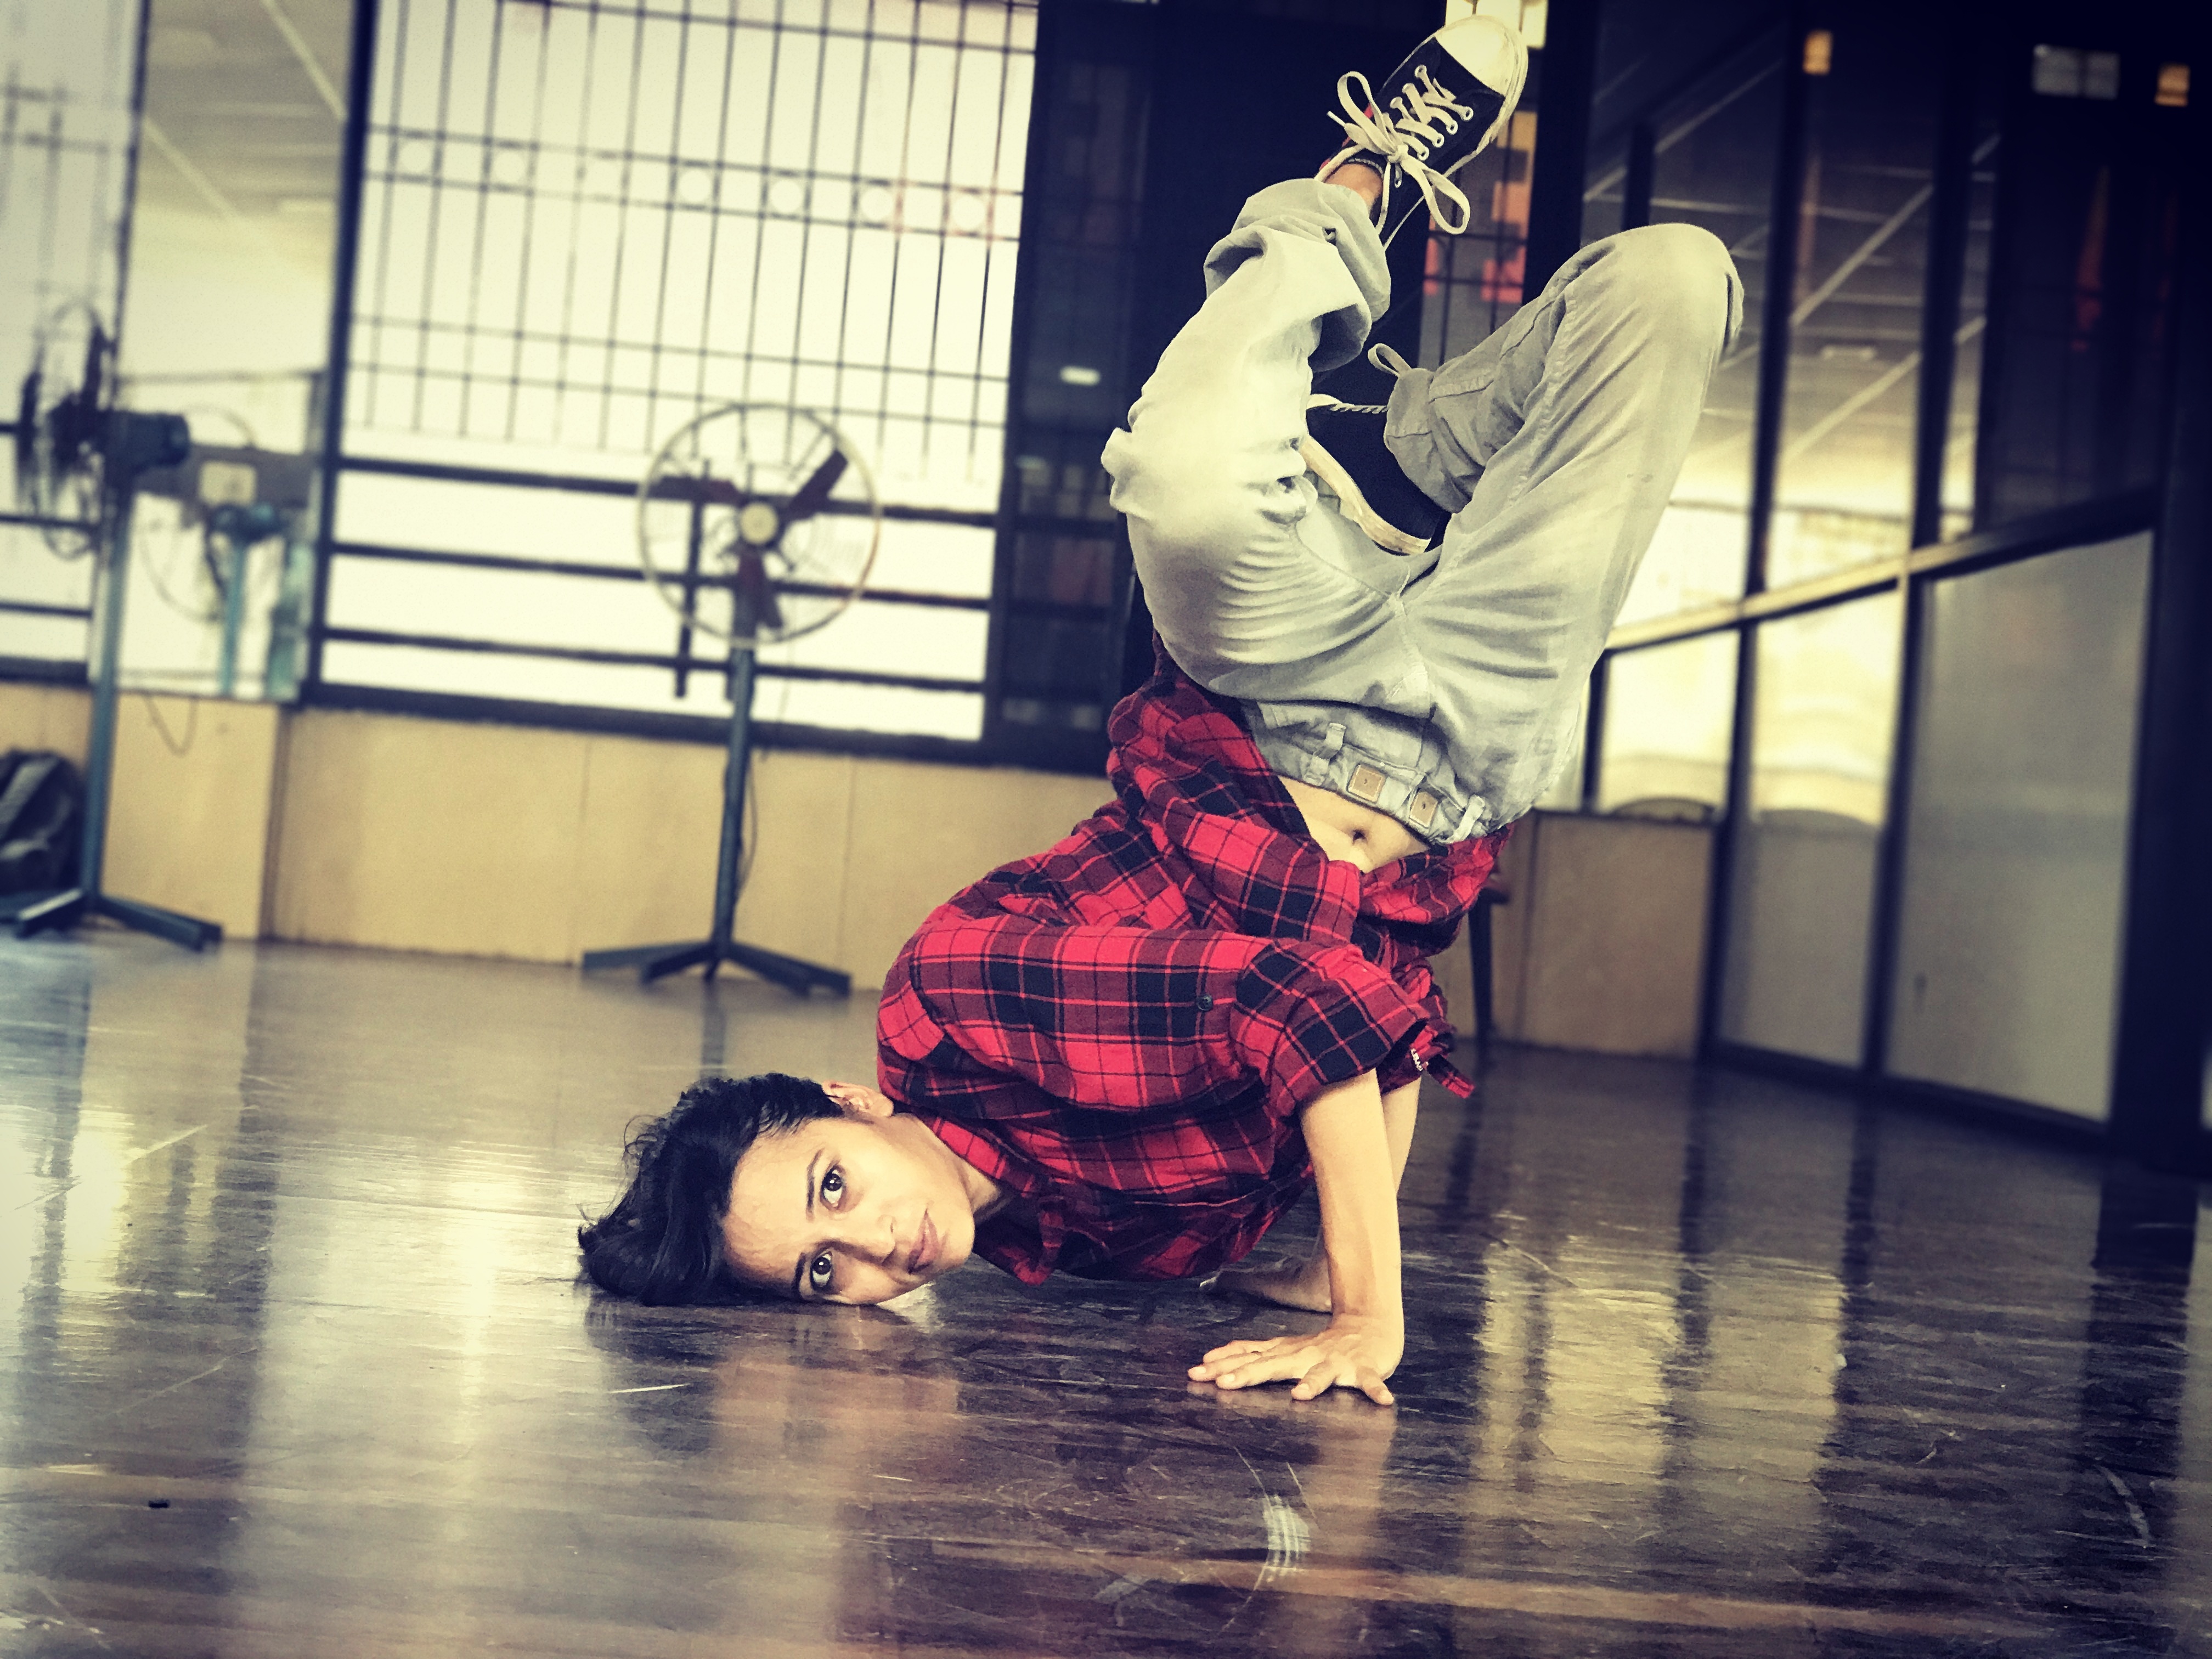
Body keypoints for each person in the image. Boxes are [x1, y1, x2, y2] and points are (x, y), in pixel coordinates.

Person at [579, 14, 1741, 1406]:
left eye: (833, 1188)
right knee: (1674, 281)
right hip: (1465, 759)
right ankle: (1400, 453)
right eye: (823, 1276)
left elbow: (1306, 1000)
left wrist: (1364, 1310)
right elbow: (1388, 1012)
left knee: (1182, 475)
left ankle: (1360, 180)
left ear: (854, 1103)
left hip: (1278, 694)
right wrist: (1314, 1258)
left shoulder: (953, 1001)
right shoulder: (1085, 1246)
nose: (878, 1248)